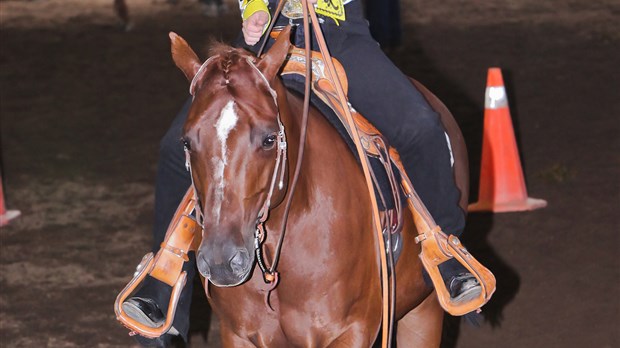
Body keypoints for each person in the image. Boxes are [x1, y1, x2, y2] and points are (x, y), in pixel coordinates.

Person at [122, 0, 481, 346]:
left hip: (340, 36)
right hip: (261, 41)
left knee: (421, 128)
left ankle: (445, 251)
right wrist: (255, 11)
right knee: (177, 148)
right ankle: (164, 279)